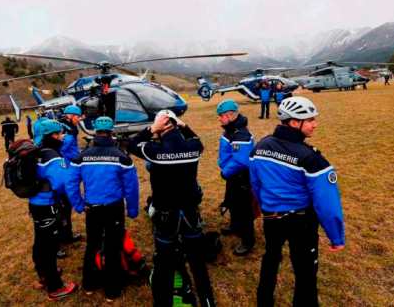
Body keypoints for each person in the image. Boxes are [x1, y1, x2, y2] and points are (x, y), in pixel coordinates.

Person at [249, 96, 345, 307]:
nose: (315, 124)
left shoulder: (260, 146)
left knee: (270, 260)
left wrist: (262, 206)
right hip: (301, 223)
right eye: (310, 120)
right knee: (305, 272)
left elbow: (255, 184)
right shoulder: (311, 158)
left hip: (271, 218)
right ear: (294, 122)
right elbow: (327, 203)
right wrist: (336, 237)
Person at [128, 110, 216, 307]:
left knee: (164, 265)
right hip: (190, 212)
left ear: (162, 127)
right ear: (176, 125)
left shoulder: (155, 151)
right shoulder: (194, 147)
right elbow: (197, 139)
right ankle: (208, 302)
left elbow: (130, 144)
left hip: (166, 214)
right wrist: (183, 126)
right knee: (198, 265)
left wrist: (152, 128)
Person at [65, 116, 139, 303]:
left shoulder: (81, 156)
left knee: (93, 245)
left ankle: (89, 285)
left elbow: (71, 183)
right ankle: (112, 291)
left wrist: (79, 204)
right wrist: (132, 209)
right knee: (113, 248)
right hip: (113, 208)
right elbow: (131, 186)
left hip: (92, 209)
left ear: (94, 131)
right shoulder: (122, 157)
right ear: (112, 132)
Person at [29, 119, 78, 301]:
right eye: (57, 134)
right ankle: (55, 287)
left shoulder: (36, 151)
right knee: (49, 247)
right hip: (48, 205)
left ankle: (43, 276)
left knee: (40, 241)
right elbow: (62, 184)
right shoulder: (53, 157)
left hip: (35, 204)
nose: (60, 136)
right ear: (49, 136)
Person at [216, 99, 256, 256]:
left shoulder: (240, 134)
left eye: (221, 116)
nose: (219, 119)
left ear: (230, 115)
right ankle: (235, 225)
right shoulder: (232, 130)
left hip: (241, 178)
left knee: (243, 209)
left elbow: (241, 161)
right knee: (232, 201)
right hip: (233, 176)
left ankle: (248, 241)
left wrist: (225, 172)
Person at [57, 105, 84, 246]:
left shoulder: (66, 128)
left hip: (66, 167)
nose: (79, 119)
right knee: (63, 206)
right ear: (71, 116)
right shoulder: (66, 132)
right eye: (77, 117)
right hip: (64, 170)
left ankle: (67, 235)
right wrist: (78, 157)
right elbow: (63, 151)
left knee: (65, 206)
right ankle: (61, 239)